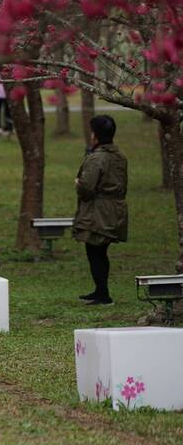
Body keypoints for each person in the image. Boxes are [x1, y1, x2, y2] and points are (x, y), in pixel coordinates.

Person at [73, 115, 127, 306]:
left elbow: (87, 189)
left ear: (95, 135)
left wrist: (78, 183)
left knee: (95, 252)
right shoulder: (119, 156)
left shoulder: (97, 158)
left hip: (98, 213)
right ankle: (100, 290)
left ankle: (103, 294)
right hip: (115, 210)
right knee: (100, 251)